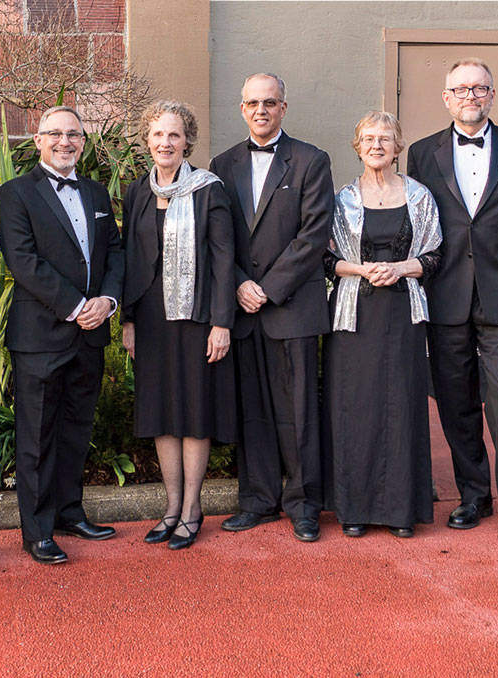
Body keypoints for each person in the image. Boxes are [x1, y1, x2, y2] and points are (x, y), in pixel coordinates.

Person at [405, 58, 498, 539]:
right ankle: (473, 495)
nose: (470, 96)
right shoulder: (422, 153)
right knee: (455, 402)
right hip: (446, 294)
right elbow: (421, 226)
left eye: (479, 88)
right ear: (446, 98)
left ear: (492, 94)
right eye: (460, 89)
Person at [0, 105, 125, 564]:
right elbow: (23, 260)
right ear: (38, 140)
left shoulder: (94, 192)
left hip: (90, 334)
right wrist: (76, 307)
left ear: (84, 142)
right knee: (37, 437)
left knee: (75, 430)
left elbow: (115, 252)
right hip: (41, 336)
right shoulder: (15, 193)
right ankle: (37, 530)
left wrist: (107, 302)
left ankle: (70, 512)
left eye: (73, 135)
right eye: (55, 134)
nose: (64, 142)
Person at [211, 73, 334, 542]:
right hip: (242, 309)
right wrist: (241, 283)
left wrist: (267, 287)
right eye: (253, 103)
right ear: (242, 109)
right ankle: (258, 500)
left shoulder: (311, 160)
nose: (261, 110)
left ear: (284, 107)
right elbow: (218, 237)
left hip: (292, 307)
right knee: (254, 410)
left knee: (300, 409)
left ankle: (304, 504)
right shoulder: (222, 164)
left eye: (270, 102)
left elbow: (313, 234)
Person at [121, 101, 236, 550]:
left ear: (187, 140)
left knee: (192, 413)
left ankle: (192, 509)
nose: (165, 143)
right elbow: (131, 259)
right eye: (157, 135)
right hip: (150, 320)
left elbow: (225, 262)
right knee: (161, 415)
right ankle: (170, 508)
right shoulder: (137, 192)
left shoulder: (210, 190)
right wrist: (128, 320)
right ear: (147, 141)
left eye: (173, 135)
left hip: (197, 319)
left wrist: (221, 323)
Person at [323, 111, 441, 539]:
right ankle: (353, 509)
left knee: (401, 405)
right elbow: (326, 259)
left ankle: (400, 511)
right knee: (355, 408)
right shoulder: (342, 199)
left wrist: (401, 268)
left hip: (403, 316)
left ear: (397, 147)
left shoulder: (420, 196)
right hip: (354, 318)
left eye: (385, 138)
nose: (377, 145)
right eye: (369, 138)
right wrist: (360, 270)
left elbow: (434, 256)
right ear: (358, 146)